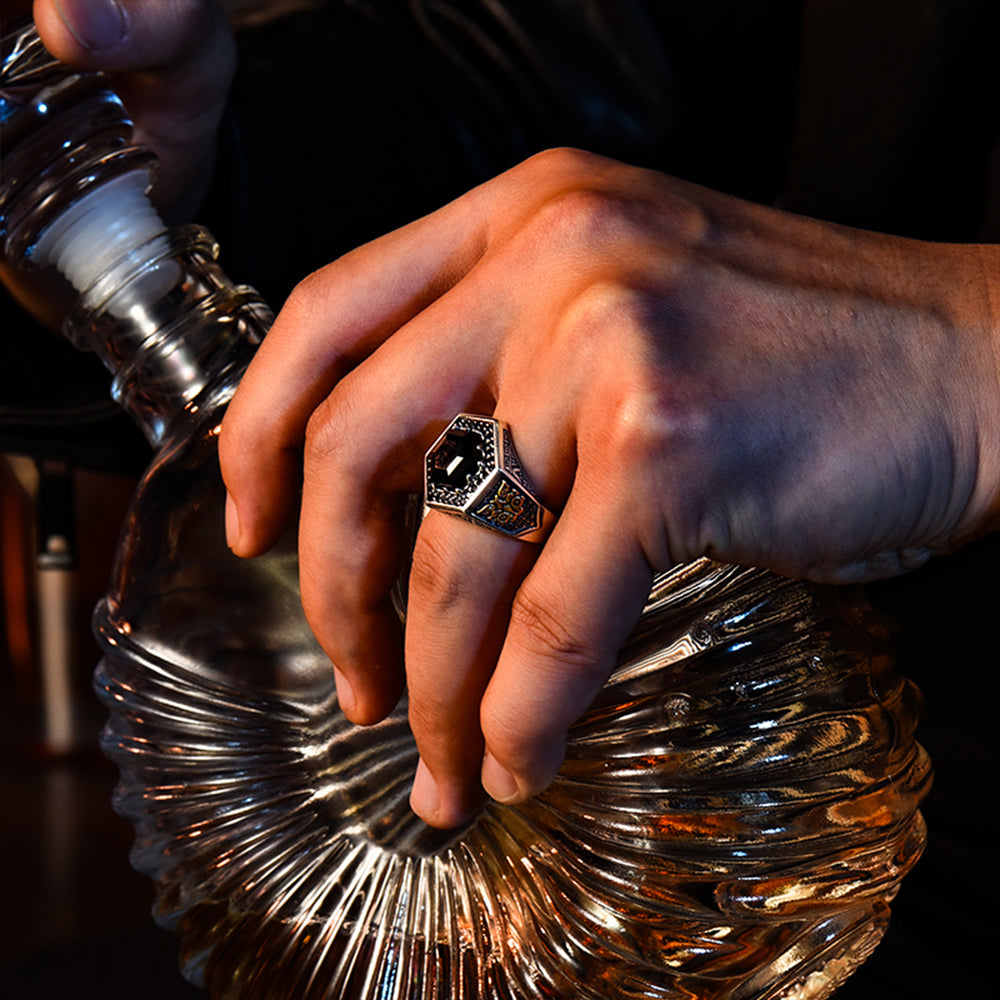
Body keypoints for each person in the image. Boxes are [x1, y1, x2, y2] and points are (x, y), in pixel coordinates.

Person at [7, 0, 998, 833]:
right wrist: (198, 180)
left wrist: (973, 341)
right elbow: (589, 51)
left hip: (854, 737)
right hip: (763, 777)